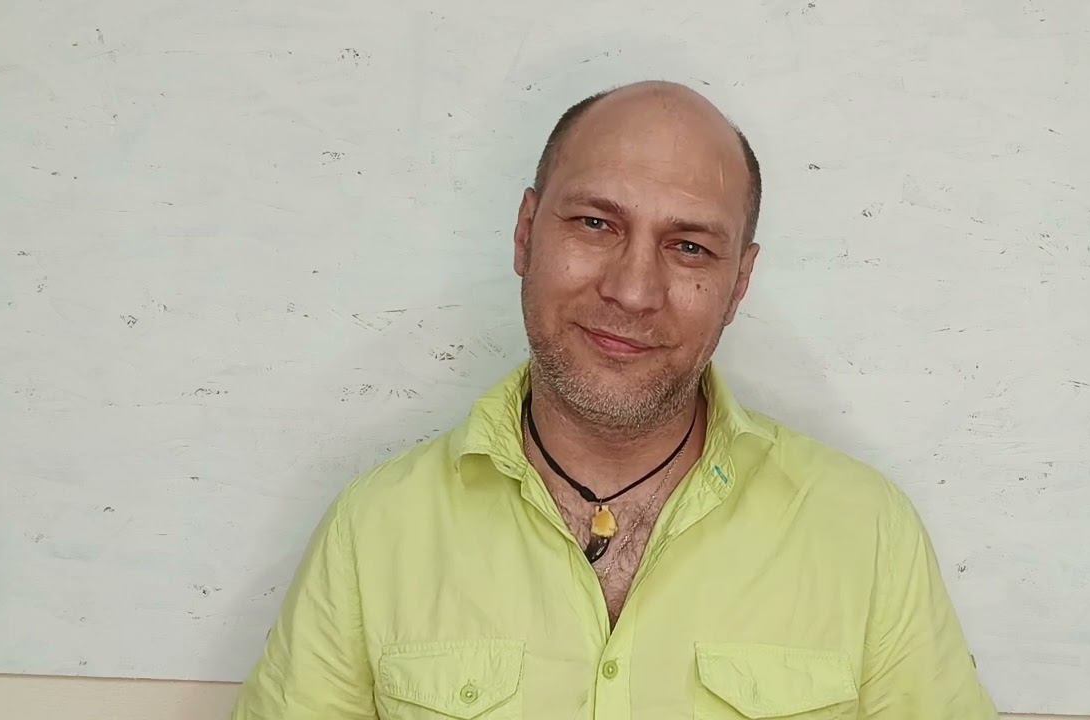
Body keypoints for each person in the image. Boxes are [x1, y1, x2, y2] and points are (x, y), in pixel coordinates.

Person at [232, 80, 998, 719]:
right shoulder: (373, 533)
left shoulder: (867, 535)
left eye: (689, 246)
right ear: (526, 233)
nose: (632, 290)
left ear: (739, 283)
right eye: (596, 223)